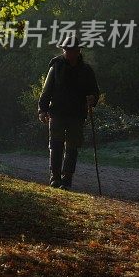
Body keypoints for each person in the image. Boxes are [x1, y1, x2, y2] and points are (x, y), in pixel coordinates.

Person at [38, 34, 99, 189]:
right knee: (56, 145)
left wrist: (93, 98)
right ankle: (55, 177)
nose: (70, 53)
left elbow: (95, 91)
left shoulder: (86, 70)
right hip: (57, 112)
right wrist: (42, 109)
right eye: (67, 50)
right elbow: (47, 90)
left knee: (72, 148)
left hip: (77, 114)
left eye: (73, 50)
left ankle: (67, 179)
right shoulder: (55, 67)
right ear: (64, 50)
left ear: (79, 51)